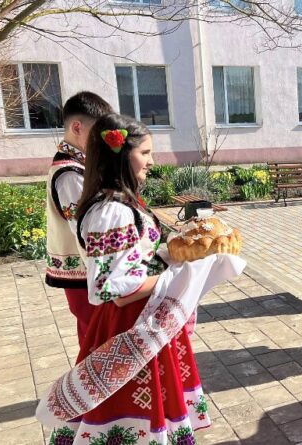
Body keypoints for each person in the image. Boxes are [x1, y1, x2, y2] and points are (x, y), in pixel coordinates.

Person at [43, 114, 209, 444]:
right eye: (145, 152)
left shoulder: (118, 202)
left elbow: (133, 263)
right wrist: (182, 273)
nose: (152, 161)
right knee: (132, 417)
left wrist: (170, 256)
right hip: (131, 325)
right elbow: (116, 289)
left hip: (140, 321)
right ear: (121, 154)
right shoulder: (112, 211)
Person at [44, 91, 113, 349]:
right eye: (98, 133)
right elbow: (86, 231)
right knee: (97, 342)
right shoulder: (69, 174)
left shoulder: (80, 167)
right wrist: (108, 274)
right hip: (86, 275)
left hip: (87, 274)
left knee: (96, 340)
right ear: (77, 128)